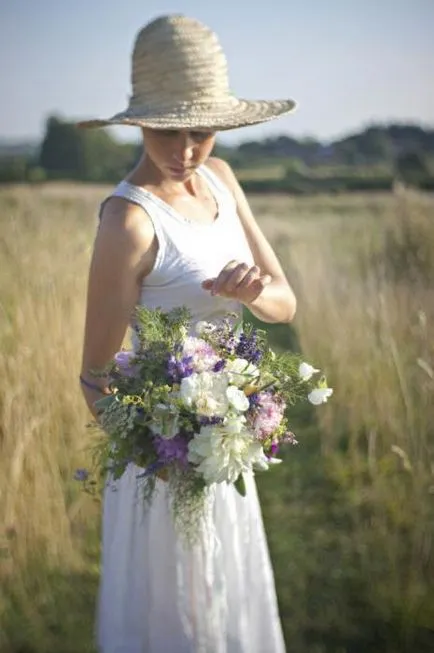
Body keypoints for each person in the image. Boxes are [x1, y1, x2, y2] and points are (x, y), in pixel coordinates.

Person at [78, 14, 297, 653]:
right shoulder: (129, 222)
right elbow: (94, 376)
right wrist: (164, 456)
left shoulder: (223, 180)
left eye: (200, 131)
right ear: (139, 121)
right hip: (162, 464)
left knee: (228, 602)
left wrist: (254, 292)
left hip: (227, 446)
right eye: (167, 130)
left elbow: (285, 305)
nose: (185, 150)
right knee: (172, 614)